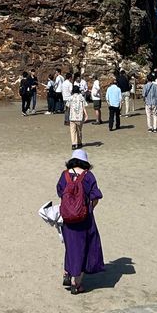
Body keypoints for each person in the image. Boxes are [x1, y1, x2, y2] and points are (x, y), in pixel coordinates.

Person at [56, 148, 104, 295]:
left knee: (71, 246)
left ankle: (67, 272)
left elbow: (60, 192)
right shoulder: (88, 176)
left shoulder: (65, 175)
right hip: (85, 219)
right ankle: (76, 284)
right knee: (84, 248)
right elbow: (95, 196)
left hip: (68, 219)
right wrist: (88, 209)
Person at [67, 85, 88, 149]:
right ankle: (79, 143)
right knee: (79, 130)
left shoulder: (70, 98)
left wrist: (67, 115)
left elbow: (68, 107)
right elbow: (84, 107)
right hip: (79, 117)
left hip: (72, 116)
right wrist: (86, 115)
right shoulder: (81, 97)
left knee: (72, 131)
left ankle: (73, 144)